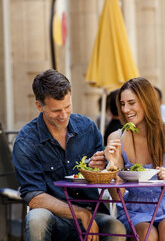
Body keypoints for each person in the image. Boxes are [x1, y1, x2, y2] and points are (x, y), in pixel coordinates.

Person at [12, 69, 126, 241]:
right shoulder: (26, 142)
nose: (64, 115)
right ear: (39, 106)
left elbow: (104, 175)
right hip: (54, 217)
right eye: (56, 111)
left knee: (116, 227)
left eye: (67, 106)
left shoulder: (88, 127)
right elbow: (34, 197)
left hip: (93, 212)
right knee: (36, 219)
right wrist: (79, 213)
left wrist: (104, 165)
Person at [102, 77, 165, 241]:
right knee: (148, 234)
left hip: (163, 202)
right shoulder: (117, 138)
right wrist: (113, 165)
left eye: (131, 103)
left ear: (147, 102)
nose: (125, 109)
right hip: (134, 210)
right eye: (122, 104)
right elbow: (117, 197)